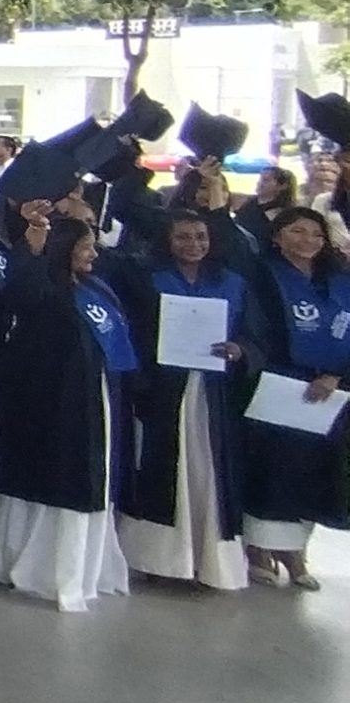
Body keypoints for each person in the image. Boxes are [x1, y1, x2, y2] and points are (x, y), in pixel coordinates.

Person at [0, 207, 135, 611]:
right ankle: (45, 570)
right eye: (84, 247)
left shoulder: (96, 288)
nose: (93, 254)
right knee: (61, 477)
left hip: (96, 396)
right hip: (49, 403)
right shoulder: (43, 288)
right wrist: (32, 246)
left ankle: (89, 568)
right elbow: (20, 295)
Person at [112, 199, 252, 591]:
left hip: (214, 393)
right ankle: (159, 560)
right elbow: (133, 327)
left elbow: (253, 334)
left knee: (210, 473)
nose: (193, 244)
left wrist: (240, 349)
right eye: (183, 237)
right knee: (164, 471)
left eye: (201, 237)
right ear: (167, 240)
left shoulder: (233, 282)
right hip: (164, 390)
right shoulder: (146, 277)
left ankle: (211, 563)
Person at [240, 203, 350, 586]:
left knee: (314, 470)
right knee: (274, 467)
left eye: (316, 234)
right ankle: (259, 549)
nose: (308, 240)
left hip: (332, 390)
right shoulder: (261, 275)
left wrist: (336, 375)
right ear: (277, 236)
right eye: (298, 231)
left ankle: (296, 552)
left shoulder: (337, 279)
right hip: (280, 385)